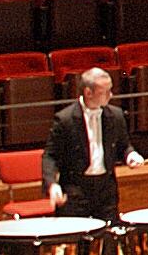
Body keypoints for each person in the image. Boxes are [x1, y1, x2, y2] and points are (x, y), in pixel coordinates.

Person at [43, 66, 141, 221]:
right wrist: (52, 184)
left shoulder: (115, 115)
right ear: (88, 93)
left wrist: (130, 154)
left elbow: (124, 145)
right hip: (75, 191)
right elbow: (50, 156)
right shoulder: (65, 119)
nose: (111, 95)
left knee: (108, 240)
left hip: (106, 190)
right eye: (105, 91)